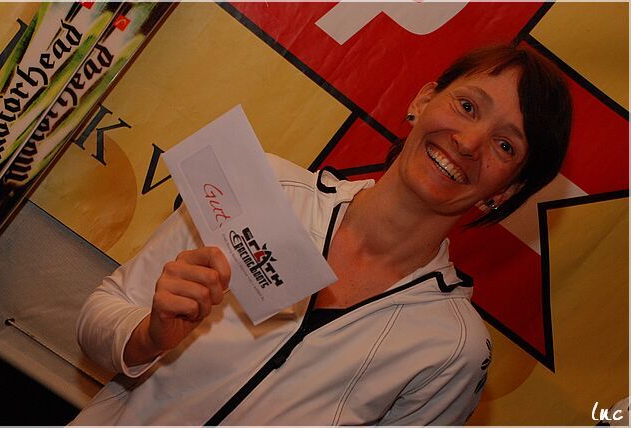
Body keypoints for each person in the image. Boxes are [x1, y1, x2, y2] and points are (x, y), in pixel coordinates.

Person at [71, 44, 572, 425]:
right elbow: (98, 316)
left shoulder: (453, 349)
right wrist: (148, 336)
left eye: (505, 146)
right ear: (423, 99)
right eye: (467, 106)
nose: (468, 142)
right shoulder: (260, 187)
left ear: (508, 190)